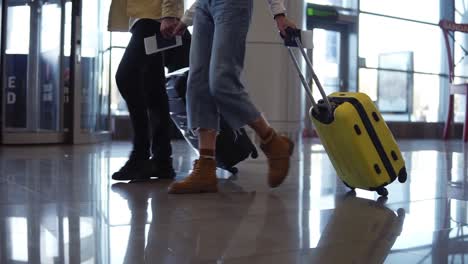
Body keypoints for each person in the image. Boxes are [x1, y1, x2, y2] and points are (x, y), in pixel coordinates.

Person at [167, 0, 297, 194]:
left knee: (222, 81)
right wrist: (188, 18)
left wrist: (278, 13)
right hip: (204, 6)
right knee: (197, 84)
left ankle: (272, 141)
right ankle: (206, 166)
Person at [108, 0, 188, 181]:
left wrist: (170, 13)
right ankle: (161, 161)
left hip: (153, 16)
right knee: (153, 86)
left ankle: (141, 155)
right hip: (144, 17)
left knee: (126, 77)